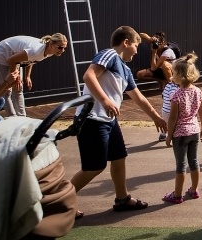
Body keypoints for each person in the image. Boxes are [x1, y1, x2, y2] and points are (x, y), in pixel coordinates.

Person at [70, 26, 168, 216]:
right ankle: (58, 201)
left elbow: (138, 97)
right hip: (92, 119)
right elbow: (89, 75)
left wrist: (156, 116)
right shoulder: (109, 55)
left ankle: (122, 198)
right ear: (126, 42)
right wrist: (105, 100)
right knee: (94, 166)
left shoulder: (125, 70)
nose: (137, 51)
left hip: (109, 121)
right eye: (136, 46)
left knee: (119, 157)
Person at [163, 53, 202, 204]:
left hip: (180, 134)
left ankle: (177, 195)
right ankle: (194, 190)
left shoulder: (176, 95)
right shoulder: (197, 91)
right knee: (194, 161)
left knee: (181, 165)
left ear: (178, 76)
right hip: (194, 130)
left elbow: (173, 118)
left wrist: (169, 135)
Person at [0, 33, 68, 117]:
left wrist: (27, 76)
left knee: (18, 88)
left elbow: (31, 60)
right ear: (51, 44)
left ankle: (22, 117)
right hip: (2, 54)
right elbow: (11, 60)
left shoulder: (49, 51)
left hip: (15, 58)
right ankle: (12, 117)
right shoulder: (36, 50)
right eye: (60, 47)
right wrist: (15, 78)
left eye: (65, 48)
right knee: (6, 91)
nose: (62, 50)